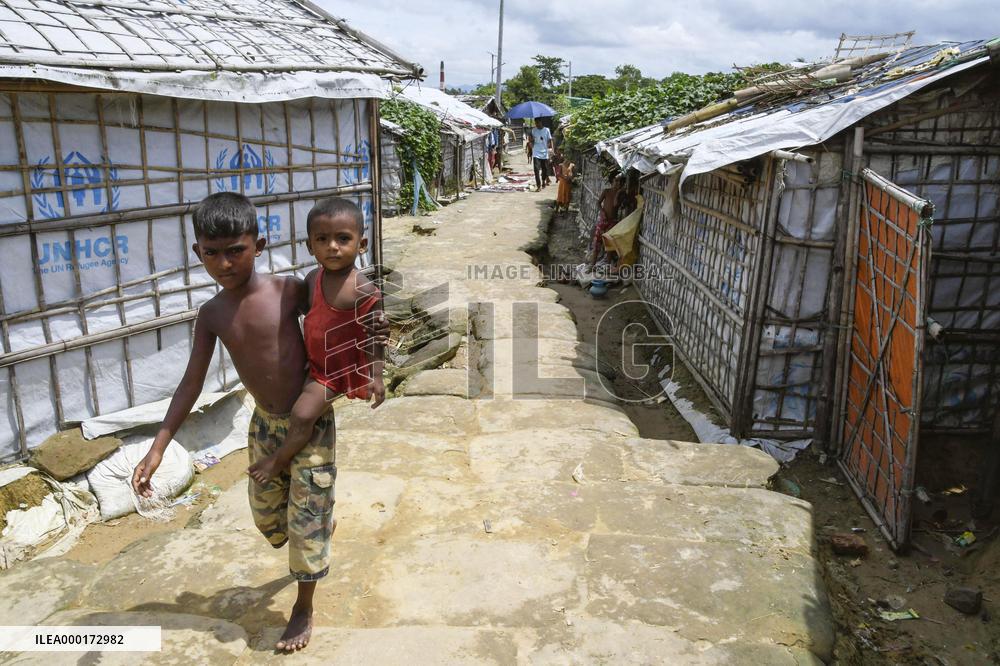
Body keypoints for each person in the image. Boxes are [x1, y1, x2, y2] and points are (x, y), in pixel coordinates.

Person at [130, 192, 387, 653]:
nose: (225, 263)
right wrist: (158, 447)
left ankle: (303, 605)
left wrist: (366, 364)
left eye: (237, 250)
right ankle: (316, 525)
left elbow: (342, 290)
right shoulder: (211, 315)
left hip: (310, 423)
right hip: (264, 425)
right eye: (213, 252)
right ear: (198, 254)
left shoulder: (289, 289)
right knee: (269, 519)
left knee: (305, 520)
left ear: (259, 245)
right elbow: (191, 383)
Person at [589, 173, 624, 266]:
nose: (618, 183)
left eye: (620, 182)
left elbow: (616, 205)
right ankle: (592, 265)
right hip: (603, 220)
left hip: (613, 222)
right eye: (616, 181)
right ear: (612, 181)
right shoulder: (606, 191)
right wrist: (602, 211)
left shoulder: (621, 195)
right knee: (597, 243)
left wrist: (618, 193)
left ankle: (607, 266)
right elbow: (598, 203)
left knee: (609, 245)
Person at [526, 117, 553, 191]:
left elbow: (550, 140)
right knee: (536, 169)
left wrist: (551, 150)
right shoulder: (533, 130)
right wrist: (531, 142)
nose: (537, 124)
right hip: (536, 152)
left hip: (544, 152)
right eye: (536, 123)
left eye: (538, 123)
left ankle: (543, 180)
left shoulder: (547, 130)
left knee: (545, 169)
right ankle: (538, 185)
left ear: (541, 122)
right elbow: (532, 141)